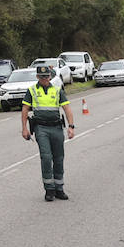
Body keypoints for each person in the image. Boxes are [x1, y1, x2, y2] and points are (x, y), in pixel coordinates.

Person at [20, 65, 76, 201]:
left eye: (46, 76)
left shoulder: (57, 90)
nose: (44, 79)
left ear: (50, 76)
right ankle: (49, 189)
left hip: (56, 128)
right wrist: (24, 128)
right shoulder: (32, 90)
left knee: (59, 158)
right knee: (46, 157)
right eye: (41, 76)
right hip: (41, 128)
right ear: (37, 77)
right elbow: (25, 109)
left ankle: (59, 188)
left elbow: (67, 108)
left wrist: (71, 126)